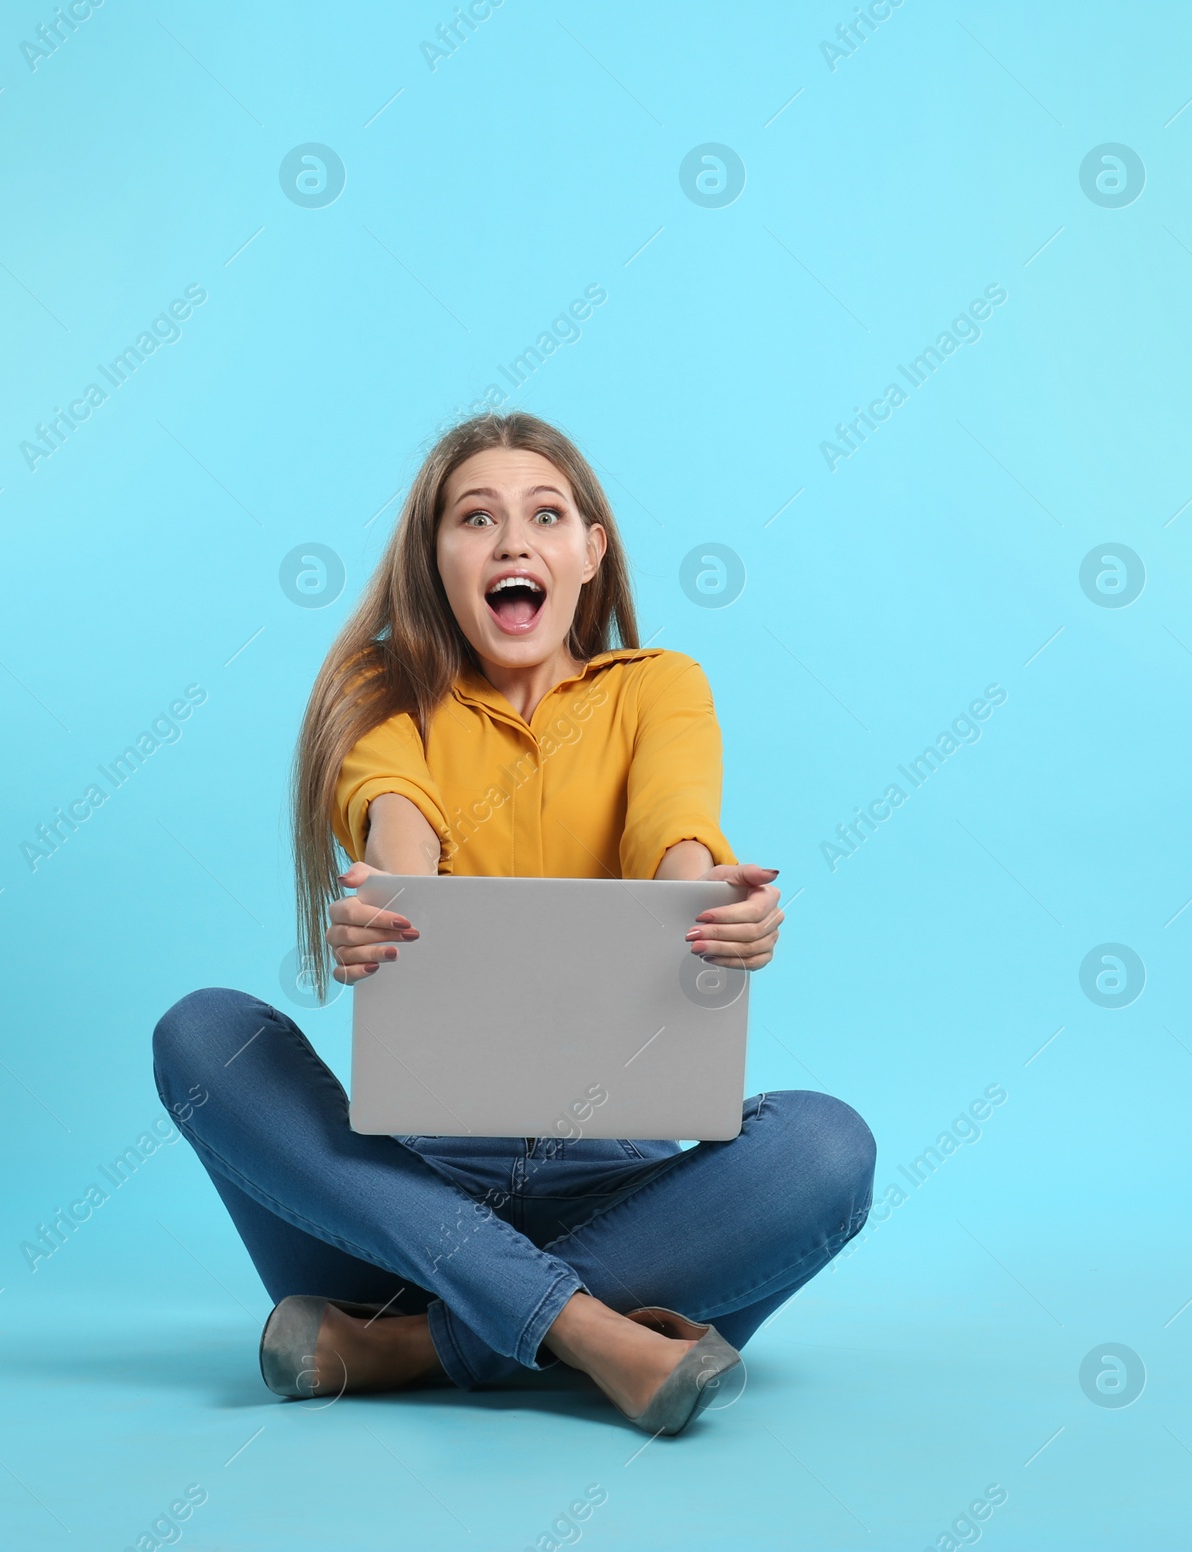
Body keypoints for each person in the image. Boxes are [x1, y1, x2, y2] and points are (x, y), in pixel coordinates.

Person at [152, 412, 875, 1435]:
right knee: (202, 1034)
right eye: (474, 518)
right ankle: (593, 1336)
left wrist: (713, 906)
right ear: (434, 557)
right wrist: (390, 909)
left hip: (622, 1203)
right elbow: (399, 818)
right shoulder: (381, 690)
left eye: (544, 514)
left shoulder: (658, 686)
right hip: (397, 1210)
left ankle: (406, 1347)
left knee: (828, 1148)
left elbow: (672, 830)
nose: (511, 542)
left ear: (591, 549)